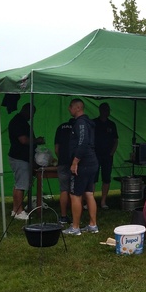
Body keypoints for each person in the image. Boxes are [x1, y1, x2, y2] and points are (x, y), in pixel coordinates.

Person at [63, 99, 99, 236]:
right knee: (89, 193)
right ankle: (93, 225)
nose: (69, 109)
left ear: (78, 108)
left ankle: (75, 227)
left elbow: (83, 142)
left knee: (75, 195)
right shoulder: (88, 122)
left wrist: (75, 162)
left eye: (71, 107)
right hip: (92, 162)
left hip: (83, 164)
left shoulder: (81, 123)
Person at [8, 103, 44, 220]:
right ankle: (19, 212)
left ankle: (15, 210)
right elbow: (23, 140)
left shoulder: (20, 121)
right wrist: (37, 140)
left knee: (19, 184)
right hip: (19, 157)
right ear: (26, 111)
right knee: (21, 185)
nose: (32, 116)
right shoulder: (18, 121)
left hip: (21, 157)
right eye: (32, 114)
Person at [93, 102, 119, 210]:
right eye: (104, 109)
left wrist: (112, 153)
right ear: (100, 110)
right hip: (95, 155)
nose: (106, 112)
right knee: (92, 178)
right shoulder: (94, 123)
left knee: (106, 178)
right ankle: (91, 200)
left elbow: (116, 140)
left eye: (107, 110)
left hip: (107, 156)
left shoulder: (111, 124)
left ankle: (103, 201)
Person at [54, 116, 75, 224]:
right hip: (75, 162)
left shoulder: (60, 127)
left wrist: (60, 158)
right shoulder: (78, 127)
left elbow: (56, 149)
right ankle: (75, 216)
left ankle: (63, 216)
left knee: (64, 190)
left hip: (62, 162)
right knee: (75, 190)